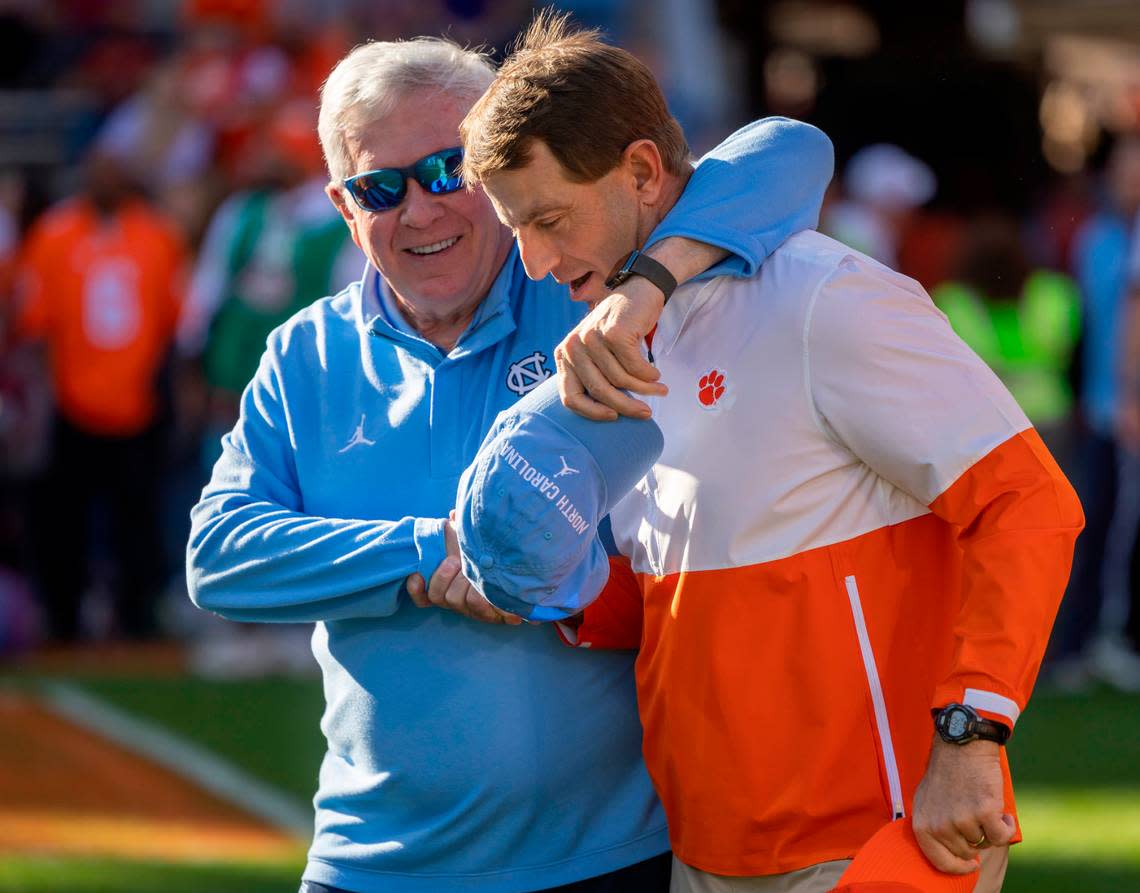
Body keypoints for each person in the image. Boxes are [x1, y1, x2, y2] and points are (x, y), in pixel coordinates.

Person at [185, 35, 834, 893]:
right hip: (370, 863)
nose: (420, 210)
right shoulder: (306, 354)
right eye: (381, 188)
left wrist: (646, 286)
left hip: (613, 854)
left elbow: (791, 152)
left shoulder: (584, 287)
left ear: (496, 169)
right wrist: (428, 552)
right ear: (346, 209)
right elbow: (219, 554)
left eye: (448, 171)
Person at [458, 15, 1083, 893]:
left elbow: (1030, 504)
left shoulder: (826, 297)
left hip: (881, 843)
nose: (531, 262)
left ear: (641, 171)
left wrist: (971, 735)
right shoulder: (622, 339)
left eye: (549, 218)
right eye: (517, 228)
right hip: (707, 851)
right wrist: (562, 587)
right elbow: (692, 598)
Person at [16, 147, 188, 641]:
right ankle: (63, 619)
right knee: (61, 522)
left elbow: (175, 322)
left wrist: (171, 389)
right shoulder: (55, 233)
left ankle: (138, 619)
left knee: (139, 521)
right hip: (70, 403)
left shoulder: (155, 235)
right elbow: (34, 324)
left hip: (137, 401)